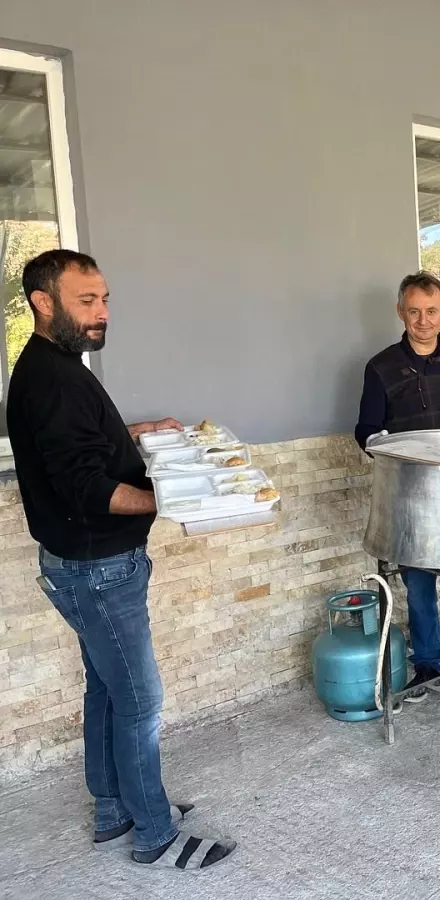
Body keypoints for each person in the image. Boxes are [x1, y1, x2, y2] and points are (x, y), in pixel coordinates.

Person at [7, 250, 235, 870]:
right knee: (140, 699)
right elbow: (87, 487)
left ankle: (113, 809)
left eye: (104, 299)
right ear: (43, 301)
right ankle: (154, 834)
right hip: (97, 567)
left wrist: (134, 433)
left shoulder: (56, 365)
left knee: (108, 689)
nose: (101, 313)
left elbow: (81, 441)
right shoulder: (52, 377)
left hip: (83, 564)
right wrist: (174, 496)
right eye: (87, 302)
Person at [356, 270, 440, 705]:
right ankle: (429, 665)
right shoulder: (379, 367)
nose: (423, 319)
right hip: (411, 497)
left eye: (431, 311)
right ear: (401, 312)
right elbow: (365, 430)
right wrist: (383, 448)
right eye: (414, 311)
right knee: (418, 586)